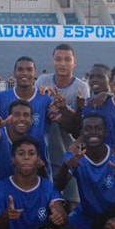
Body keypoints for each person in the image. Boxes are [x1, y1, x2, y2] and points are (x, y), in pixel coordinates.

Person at [54, 113, 115, 229]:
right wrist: (65, 166)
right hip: (88, 215)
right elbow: (59, 186)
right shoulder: (74, 156)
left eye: (98, 128)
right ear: (82, 132)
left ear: (105, 132)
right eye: (88, 128)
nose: (93, 132)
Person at [35, 44, 90, 208]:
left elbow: (80, 126)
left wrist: (64, 109)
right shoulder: (43, 81)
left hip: (68, 150)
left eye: (67, 59)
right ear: (52, 61)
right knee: (45, 201)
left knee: (72, 201)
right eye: (58, 59)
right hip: (46, 151)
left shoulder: (81, 87)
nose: (62, 63)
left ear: (75, 62)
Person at [0, 57, 56, 165]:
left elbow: (65, 122)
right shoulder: (1, 97)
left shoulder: (45, 99)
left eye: (29, 69)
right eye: (20, 69)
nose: (24, 73)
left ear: (34, 73)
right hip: (5, 162)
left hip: (38, 165)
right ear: (14, 72)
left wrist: (63, 107)